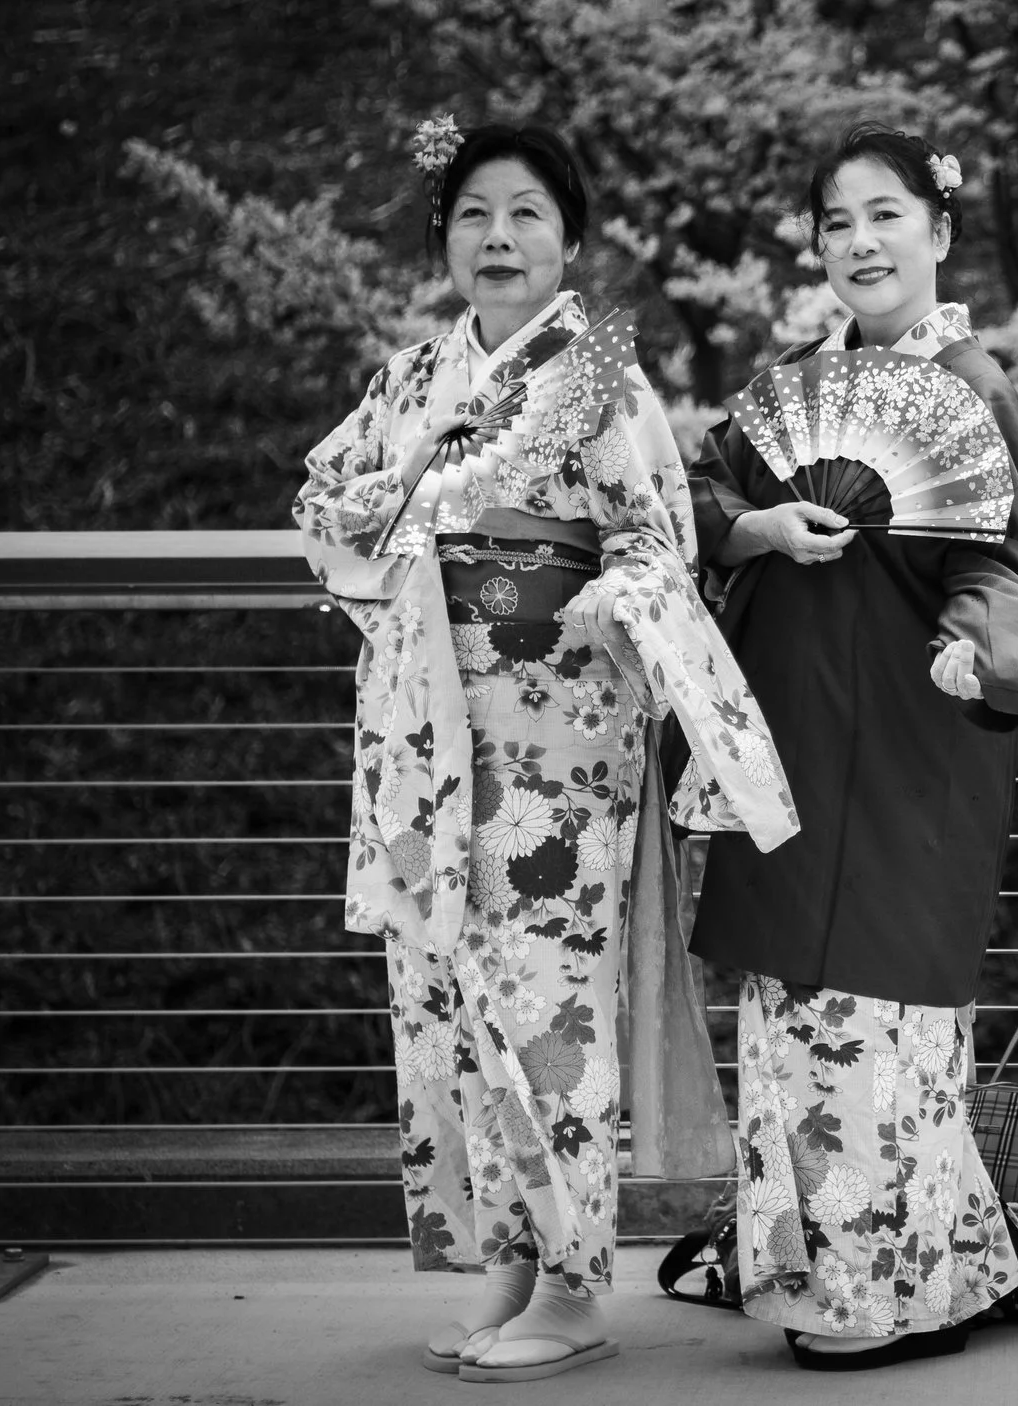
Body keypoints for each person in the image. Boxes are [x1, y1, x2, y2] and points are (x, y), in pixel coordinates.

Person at [296, 119, 798, 1384]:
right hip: (425, 728)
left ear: (569, 239)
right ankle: (505, 1266)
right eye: (474, 214)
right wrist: (420, 461)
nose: (499, 237)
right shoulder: (409, 378)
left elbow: (655, 539)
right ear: (442, 237)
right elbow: (329, 515)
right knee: (448, 1006)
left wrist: (609, 593)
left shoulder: (604, 377)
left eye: (527, 214)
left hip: (558, 743)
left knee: (545, 1007)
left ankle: (575, 1286)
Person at [681, 121, 1018, 1371]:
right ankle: (938, 1267)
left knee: (883, 1004)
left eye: (886, 213)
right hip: (792, 726)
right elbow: (687, 502)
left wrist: (985, 649)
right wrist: (751, 531)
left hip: (916, 726)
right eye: (836, 220)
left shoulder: (975, 386)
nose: (859, 240)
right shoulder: (787, 390)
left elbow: (1009, 562)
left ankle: (873, 1293)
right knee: (797, 1003)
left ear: (939, 230)